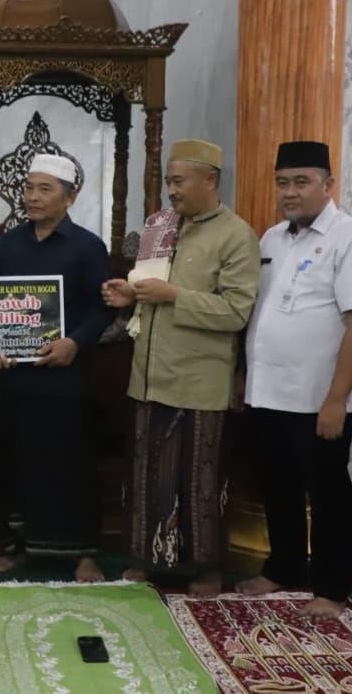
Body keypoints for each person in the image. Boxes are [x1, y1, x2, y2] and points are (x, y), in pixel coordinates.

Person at [101, 139, 259, 594]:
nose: (171, 191)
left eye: (178, 181)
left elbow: (235, 311)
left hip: (199, 381)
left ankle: (207, 569)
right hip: (150, 377)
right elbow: (149, 291)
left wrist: (174, 297)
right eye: (169, 182)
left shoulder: (236, 235)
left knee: (199, 481)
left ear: (209, 180)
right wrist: (129, 294)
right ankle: (149, 560)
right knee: (150, 475)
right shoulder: (161, 228)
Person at [237, 140, 352, 619]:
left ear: (327, 185)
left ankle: (332, 584)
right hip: (268, 392)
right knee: (277, 485)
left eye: (302, 181)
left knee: (327, 493)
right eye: (283, 182)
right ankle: (284, 569)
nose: (290, 192)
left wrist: (337, 398)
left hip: (320, 396)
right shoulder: (271, 238)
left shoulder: (351, 237)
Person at [0, 153, 111, 583]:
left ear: (70, 197)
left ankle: (84, 553)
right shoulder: (10, 243)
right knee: (19, 462)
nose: (32, 197)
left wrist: (74, 343)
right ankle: (21, 548)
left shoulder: (88, 247)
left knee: (70, 463)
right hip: (18, 379)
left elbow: (102, 310)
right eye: (28, 188)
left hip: (66, 379)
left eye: (44, 189)